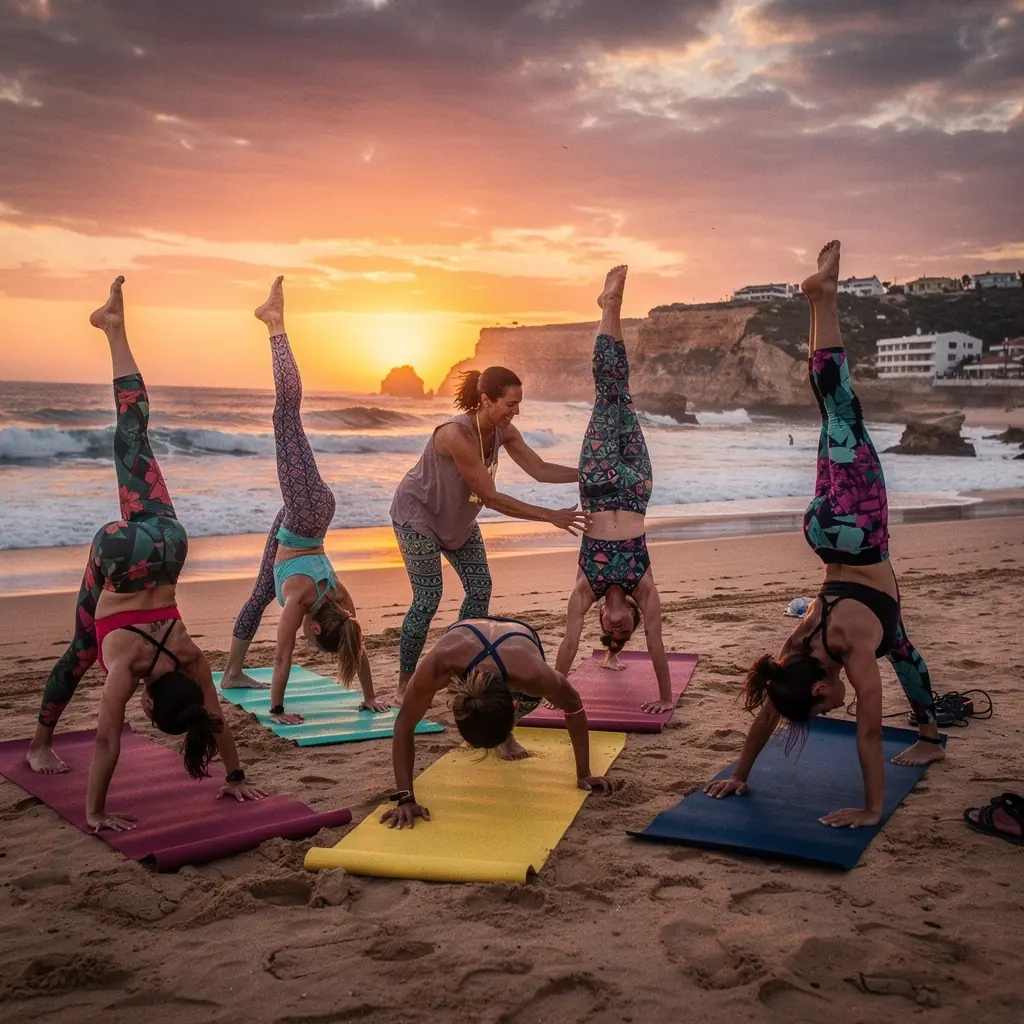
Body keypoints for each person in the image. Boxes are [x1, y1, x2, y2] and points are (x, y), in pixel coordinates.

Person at [705, 240, 944, 829]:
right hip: (824, 534)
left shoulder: (849, 651)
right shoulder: (793, 658)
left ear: (819, 690)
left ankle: (824, 297)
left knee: (841, 408)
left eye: (818, 712)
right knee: (906, 651)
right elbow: (769, 712)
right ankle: (932, 732)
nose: (827, 712)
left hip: (858, 532)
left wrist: (869, 808)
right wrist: (739, 771)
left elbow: (867, 729)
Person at [26, 276, 264, 832]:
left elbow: (215, 716)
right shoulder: (128, 670)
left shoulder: (189, 656)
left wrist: (237, 777)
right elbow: (108, 740)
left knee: (133, 429)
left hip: (170, 540)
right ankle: (40, 745)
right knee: (84, 648)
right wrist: (95, 812)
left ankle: (116, 330)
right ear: (150, 704)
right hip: (116, 550)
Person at [221, 277, 387, 722]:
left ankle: (233, 672)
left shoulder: (341, 599)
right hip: (307, 511)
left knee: (259, 592)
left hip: (303, 521)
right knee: (286, 412)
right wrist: (277, 710)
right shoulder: (299, 601)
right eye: (314, 639)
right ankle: (275, 324)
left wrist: (370, 696)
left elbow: (357, 645)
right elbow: (282, 658)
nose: (306, 641)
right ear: (315, 626)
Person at [389, 366, 588, 702]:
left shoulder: (502, 432)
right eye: (510, 404)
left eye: (518, 404)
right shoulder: (456, 435)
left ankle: (460, 667)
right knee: (427, 598)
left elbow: (539, 470)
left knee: (480, 589)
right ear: (485, 400)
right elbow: (491, 497)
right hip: (416, 517)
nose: (516, 411)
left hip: (458, 521)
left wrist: (590, 475)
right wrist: (549, 516)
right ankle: (403, 686)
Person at [554, 266, 675, 714]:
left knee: (608, 393)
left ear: (603, 619)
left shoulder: (586, 588)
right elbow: (658, 643)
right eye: (627, 631)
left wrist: (556, 693)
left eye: (615, 630)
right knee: (621, 394)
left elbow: (568, 643)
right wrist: (664, 697)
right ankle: (610, 307)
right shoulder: (643, 587)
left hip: (601, 482)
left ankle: (611, 306)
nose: (621, 626)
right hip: (639, 486)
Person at [380, 616, 615, 828]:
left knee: (533, 701)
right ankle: (498, 734)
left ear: (513, 707)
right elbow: (403, 725)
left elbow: (574, 707)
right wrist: (405, 798)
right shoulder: (439, 665)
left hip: (519, 635)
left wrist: (584, 773)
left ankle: (506, 734)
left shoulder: (535, 676)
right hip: (467, 630)